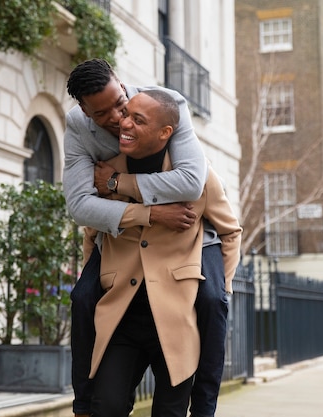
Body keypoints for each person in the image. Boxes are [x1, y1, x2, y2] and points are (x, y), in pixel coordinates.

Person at [64, 59, 232, 417]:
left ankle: (204, 408)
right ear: (84, 111)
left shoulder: (168, 104)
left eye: (121, 104)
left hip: (192, 247)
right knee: (82, 298)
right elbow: (80, 208)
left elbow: (192, 184)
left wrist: (116, 183)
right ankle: (82, 404)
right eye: (102, 113)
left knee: (214, 302)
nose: (118, 118)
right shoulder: (78, 127)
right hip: (122, 239)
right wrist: (151, 213)